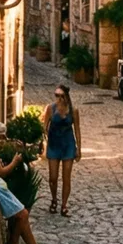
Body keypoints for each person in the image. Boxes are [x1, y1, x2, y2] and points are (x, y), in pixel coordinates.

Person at [42, 85, 82, 216]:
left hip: (68, 145)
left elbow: (77, 129)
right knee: (53, 177)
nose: (58, 98)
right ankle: (54, 199)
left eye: (61, 95)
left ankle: (64, 205)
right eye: (56, 95)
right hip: (54, 145)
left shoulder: (73, 110)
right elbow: (44, 127)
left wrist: (79, 149)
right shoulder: (50, 108)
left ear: (66, 96)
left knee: (66, 177)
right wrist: (45, 138)